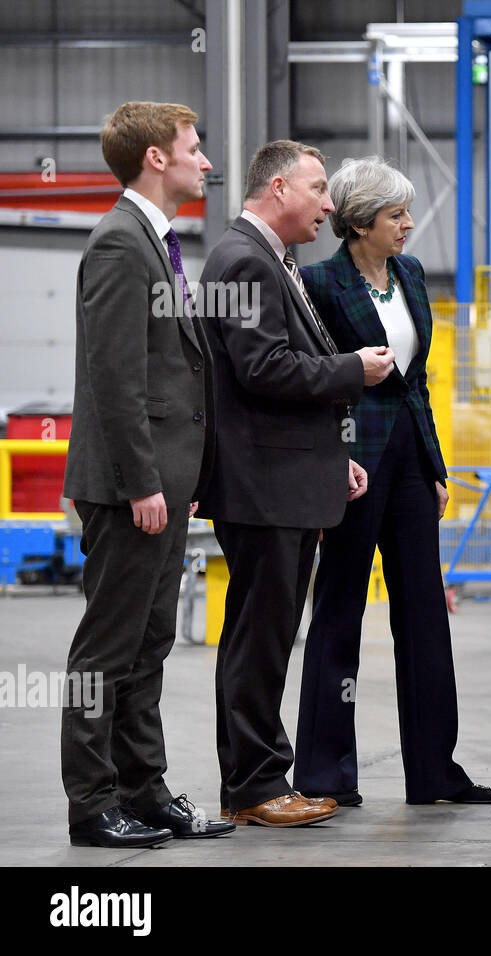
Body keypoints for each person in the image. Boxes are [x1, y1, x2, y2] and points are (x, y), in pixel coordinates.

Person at [197, 140, 397, 827]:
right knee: (260, 639)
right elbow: (264, 368)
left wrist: (326, 454)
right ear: (279, 188)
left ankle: (255, 780)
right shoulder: (245, 259)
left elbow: (274, 375)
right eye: (318, 188)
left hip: (282, 477)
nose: (330, 205)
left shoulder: (272, 260)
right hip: (262, 488)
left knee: (266, 636)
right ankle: (254, 787)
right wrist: (352, 371)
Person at [292, 156, 491, 807]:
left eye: (406, 212)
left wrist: (435, 469)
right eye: (395, 216)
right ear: (358, 224)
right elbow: (310, 379)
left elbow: (416, 384)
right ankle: (324, 774)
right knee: (338, 613)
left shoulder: (408, 274)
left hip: (409, 461)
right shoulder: (320, 283)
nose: (408, 225)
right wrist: (329, 459)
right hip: (352, 464)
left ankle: (434, 773)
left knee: (424, 615)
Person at [62, 101, 234, 846]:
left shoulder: (155, 242)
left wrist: (177, 474)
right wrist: (141, 483)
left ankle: (143, 787)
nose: (204, 161)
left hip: (163, 481)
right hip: (129, 487)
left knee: (149, 642)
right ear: (157, 158)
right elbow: (114, 377)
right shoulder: (118, 245)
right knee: (107, 647)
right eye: (194, 149)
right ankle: (92, 802)